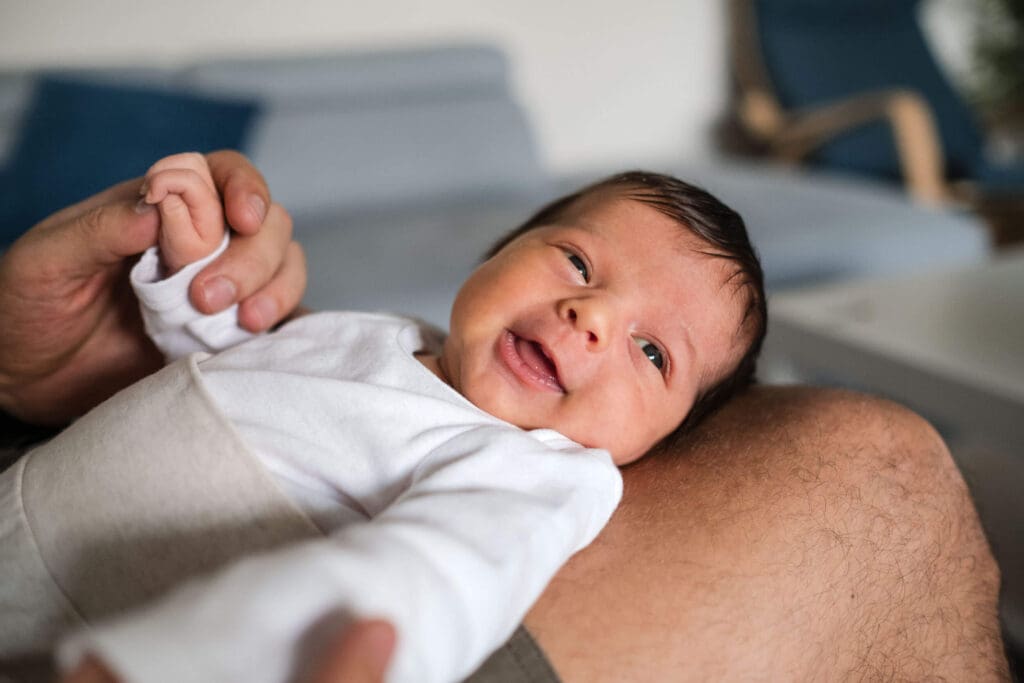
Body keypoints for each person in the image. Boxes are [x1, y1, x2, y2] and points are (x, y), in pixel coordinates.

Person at [0, 153, 1008, 683]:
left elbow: (430, 577)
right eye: (576, 262)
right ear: (492, 253)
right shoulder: (385, 334)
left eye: (653, 353)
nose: (593, 315)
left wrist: (217, 660)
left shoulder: (536, 474)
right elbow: (229, 361)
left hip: (95, 644)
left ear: (658, 446)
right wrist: (185, 277)